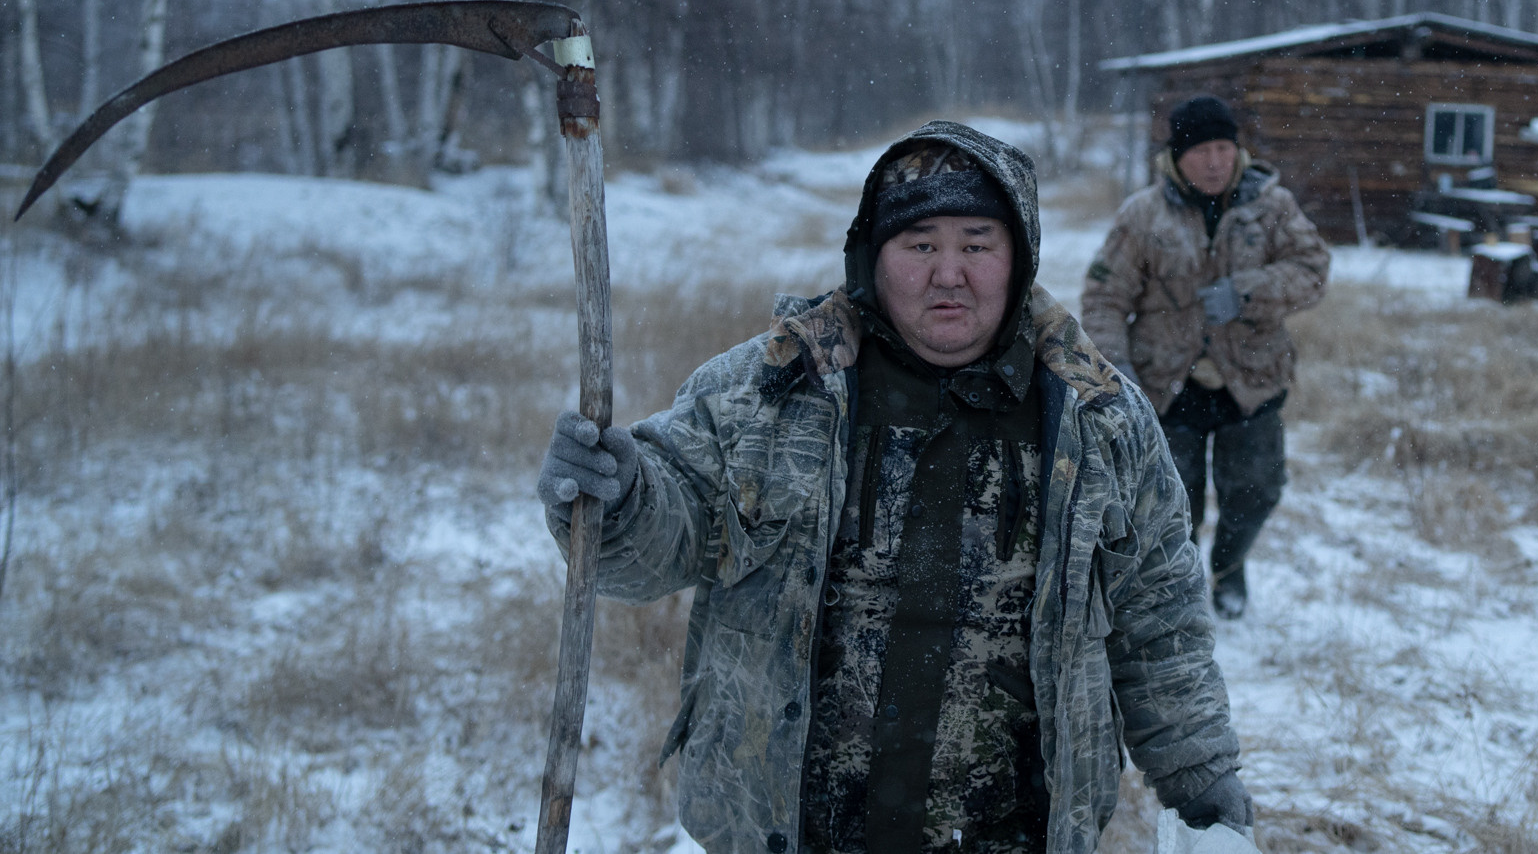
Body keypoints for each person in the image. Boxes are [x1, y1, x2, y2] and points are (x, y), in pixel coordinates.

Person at [536, 121, 1250, 854]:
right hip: (792, 832)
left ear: (1020, 258)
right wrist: (616, 500)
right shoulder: (771, 391)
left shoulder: (1100, 419)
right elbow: (660, 537)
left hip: (1012, 837)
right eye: (920, 246)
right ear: (871, 258)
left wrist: (1201, 779)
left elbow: (1159, 621)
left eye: (977, 244)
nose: (950, 272)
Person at [1082, 96, 1329, 621]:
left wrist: (1250, 290)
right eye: (1202, 151)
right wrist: (1116, 369)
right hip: (1167, 385)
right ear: (1177, 156)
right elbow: (1104, 298)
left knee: (1257, 491)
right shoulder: (1142, 214)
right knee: (1171, 505)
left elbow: (1313, 269)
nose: (1215, 162)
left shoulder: (1272, 206)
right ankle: (1184, 580)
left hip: (1252, 380)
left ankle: (1229, 566)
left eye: (1224, 148)